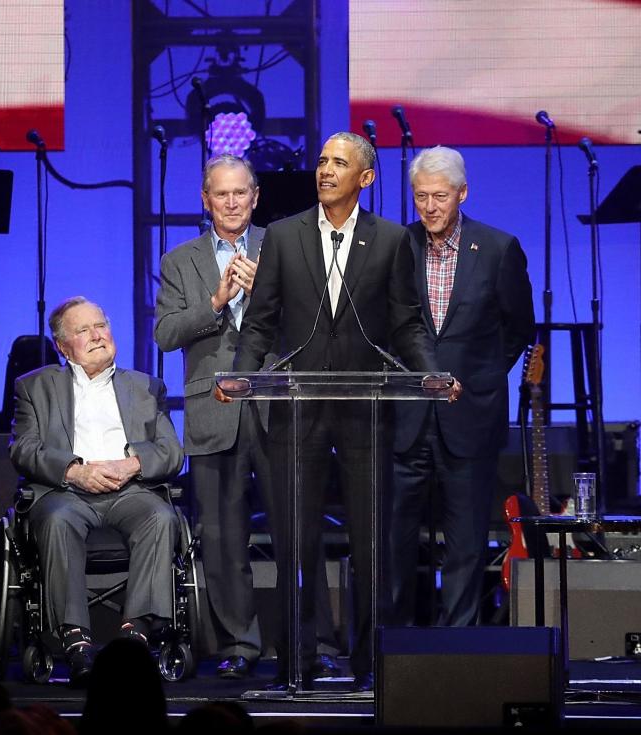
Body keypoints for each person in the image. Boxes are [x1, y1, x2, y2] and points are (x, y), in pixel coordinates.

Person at [224, 132, 457, 690]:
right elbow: (260, 321)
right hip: (297, 408)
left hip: (365, 410)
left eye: (339, 163)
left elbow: (406, 322)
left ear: (366, 178)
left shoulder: (392, 239)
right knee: (294, 538)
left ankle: (371, 662)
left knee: (369, 540)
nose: (325, 170)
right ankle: (296, 659)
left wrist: (430, 371)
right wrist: (243, 372)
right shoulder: (283, 235)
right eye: (322, 160)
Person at [154, 154, 339, 680]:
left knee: (297, 534)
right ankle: (240, 643)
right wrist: (216, 300)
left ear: (255, 197)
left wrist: (266, 297)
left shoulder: (287, 244)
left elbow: (321, 325)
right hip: (215, 411)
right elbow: (165, 334)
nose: (232, 203)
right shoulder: (180, 260)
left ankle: (311, 642)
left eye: (241, 194)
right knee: (222, 537)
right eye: (221, 194)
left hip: (279, 409)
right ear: (205, 200)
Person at [387, 146, 535, 627]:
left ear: (462, 193)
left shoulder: (498, 249)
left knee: (466, 541)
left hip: (470, 414)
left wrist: (483, 375)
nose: (429, 206)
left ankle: (457, 648)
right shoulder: (396, 246)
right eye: (421, 196)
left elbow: (518, 328)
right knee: (394, 539)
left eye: (440, 196)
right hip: (405, 418)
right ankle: (391, 646)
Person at [10, 296, 184, 688]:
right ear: (62, 345)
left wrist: (132, 464)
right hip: (67, 493)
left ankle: (134, 635)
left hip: (130, 490)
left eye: (100, 325)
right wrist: (73, 471)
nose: (96, 336)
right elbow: (23, 448)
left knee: (161, 517)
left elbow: (172, 452)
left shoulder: (144, 386)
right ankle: (76, 642)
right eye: (83, 330)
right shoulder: (35, 387)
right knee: (55, 520)